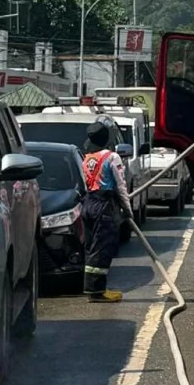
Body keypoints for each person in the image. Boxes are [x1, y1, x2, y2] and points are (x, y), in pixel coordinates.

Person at [81, 121, 133, 304]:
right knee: (102, 248)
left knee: (91, 247)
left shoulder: (87, 158)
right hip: (104, 205)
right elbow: (121, 185)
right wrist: (128, 209)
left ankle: (92, 288)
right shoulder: (112, 157)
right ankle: (97, 291)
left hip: (88, 204)